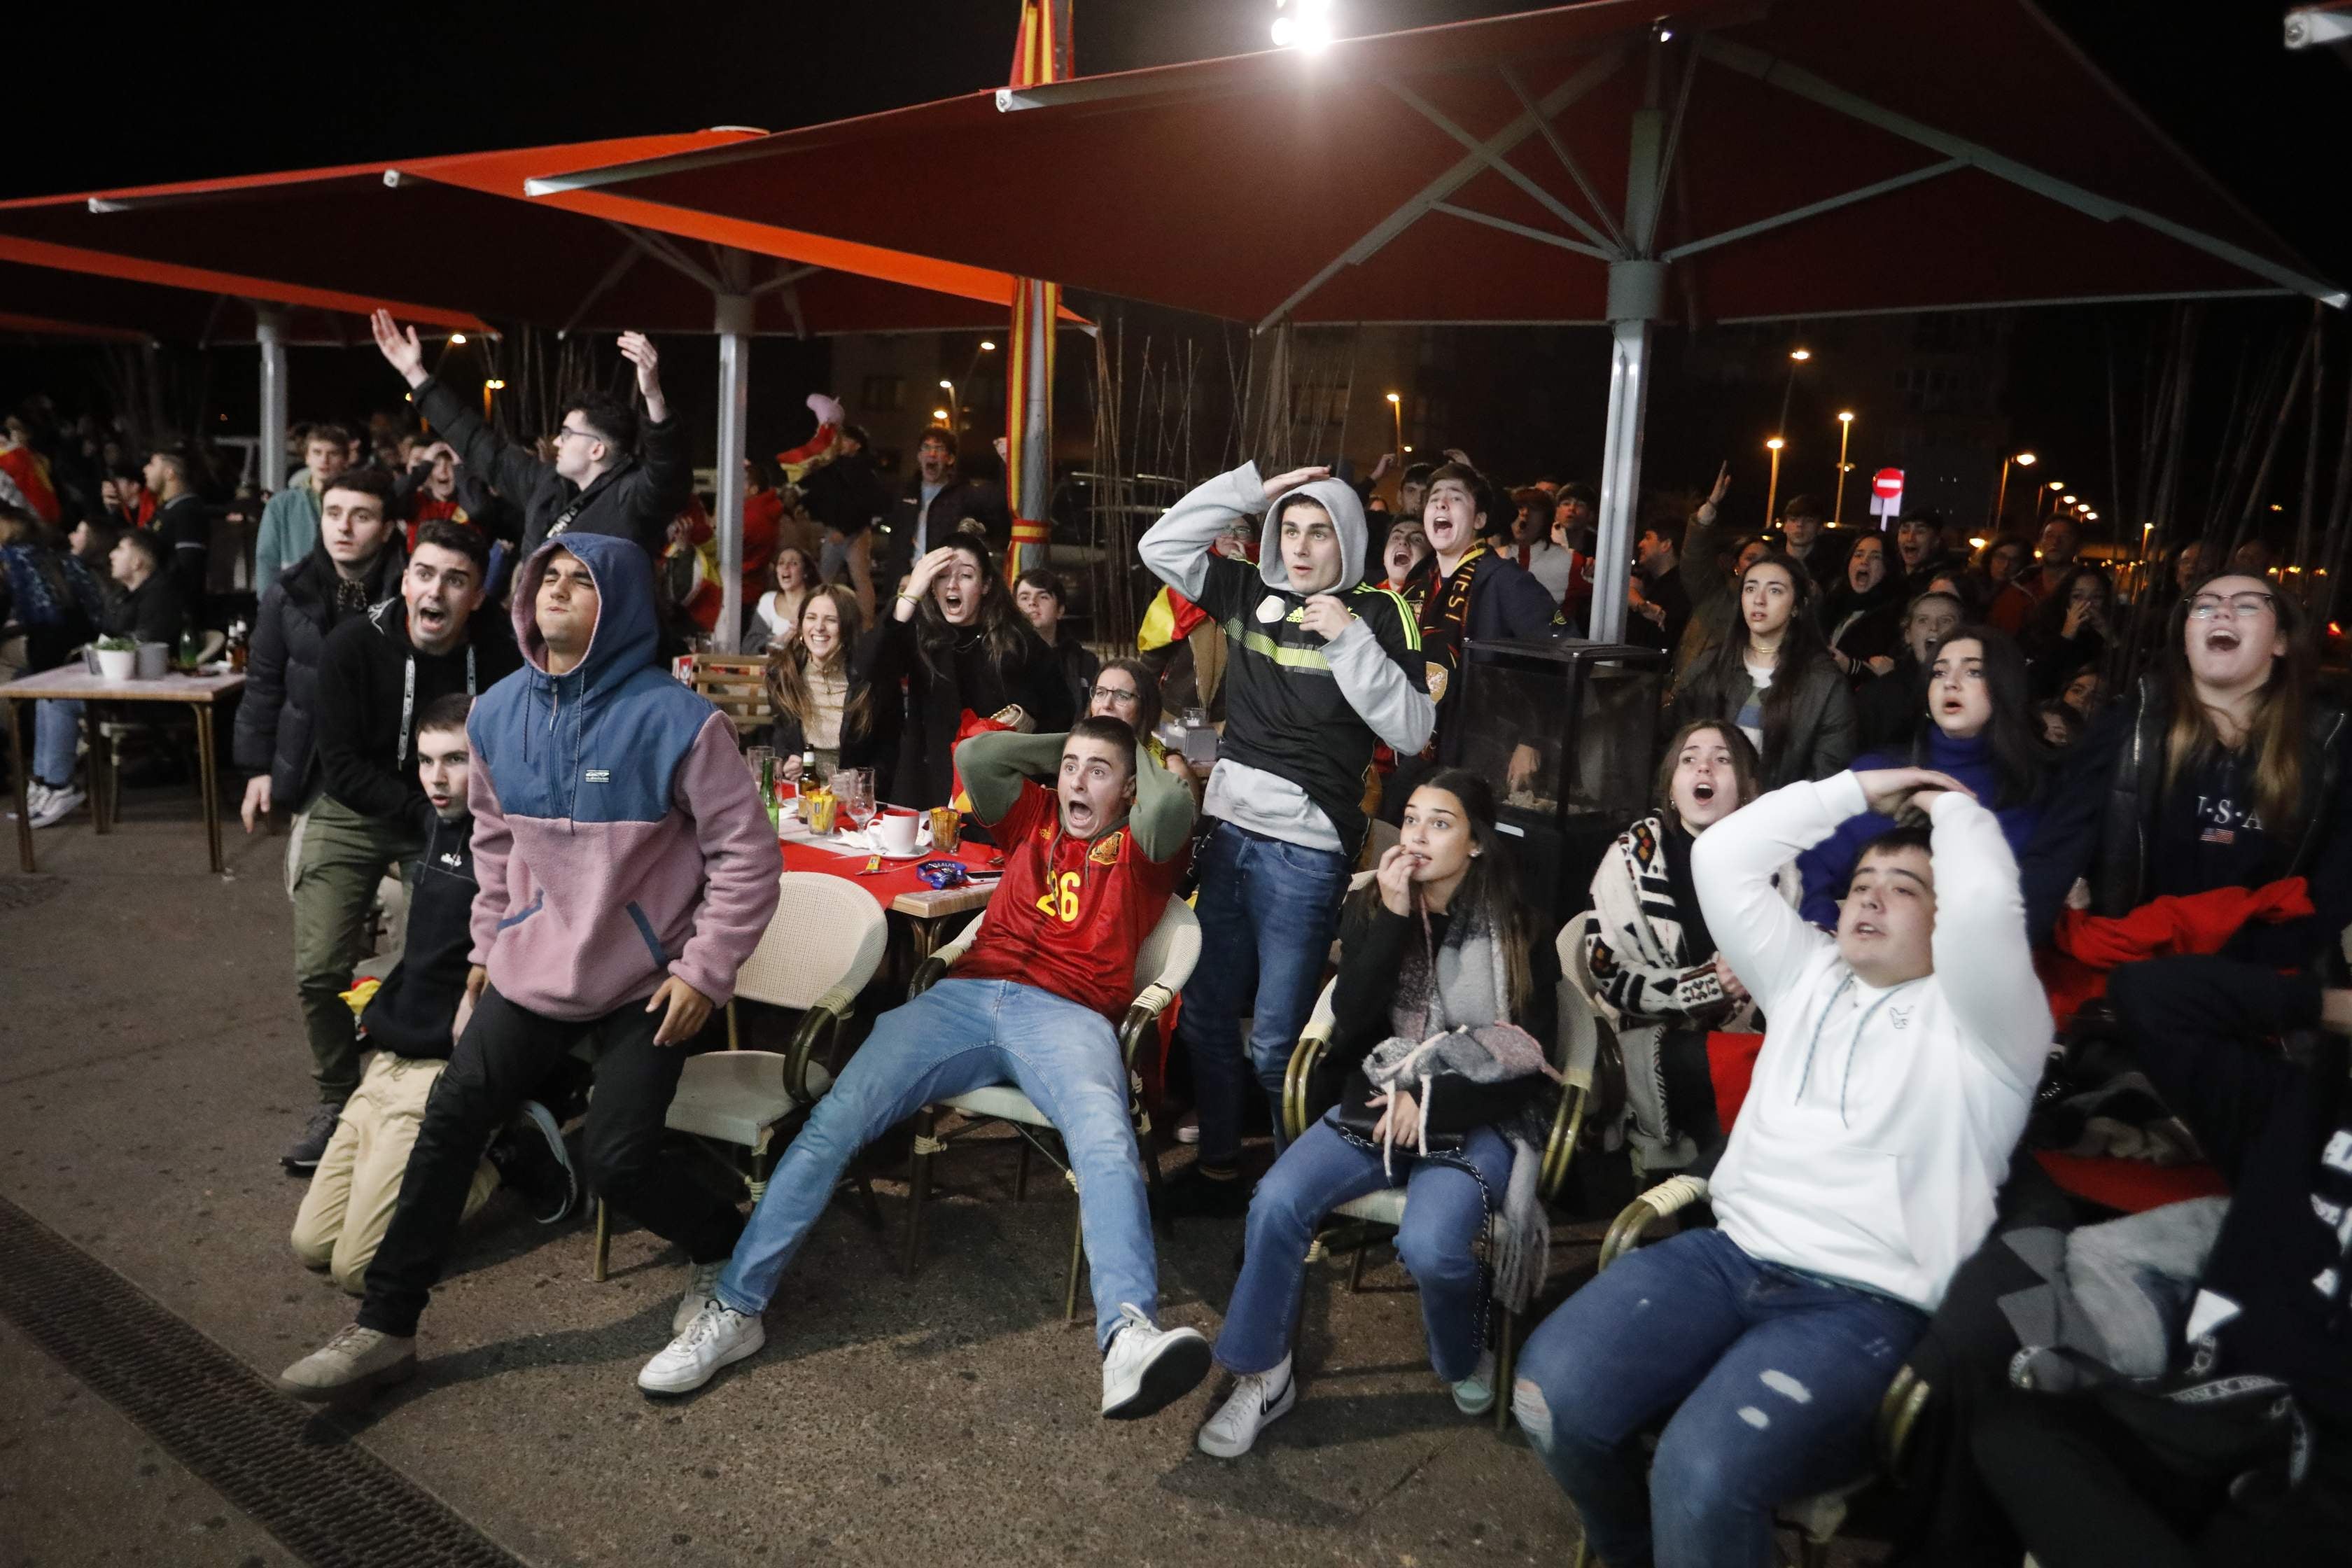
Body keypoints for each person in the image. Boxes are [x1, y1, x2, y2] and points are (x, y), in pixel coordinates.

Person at [276, 533, 782, 1403]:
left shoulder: (679, 720)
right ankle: (386, 1323)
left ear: (616, 603)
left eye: (579, 579)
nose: (555, 589)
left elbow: (748, 857)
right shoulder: (495, 713)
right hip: (530, 966)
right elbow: (496, 847)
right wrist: (486, 951)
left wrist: (704, 970)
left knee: (619, 1162)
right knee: (452, 1114)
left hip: (643, 976)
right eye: (546, 575)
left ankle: (724, 1244)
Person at [1512, 764, 2051, 1567]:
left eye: (1902, 886)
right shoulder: (1807, 974)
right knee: (1547, 1395)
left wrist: (1949, 811)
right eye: (1861, 880)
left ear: (1948, 918)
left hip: (1861, 1304)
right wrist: (1863, 789)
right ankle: (1634, 1550)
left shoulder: (1989, 1023)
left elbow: (1986, 908)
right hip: (1728, 1257)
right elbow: (1724, 856)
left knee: (1702, 1473)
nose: (1867, 897)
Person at [636, 720, 1213, 1417]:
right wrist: (1076, 745)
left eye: (1098, 773)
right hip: (965, 996)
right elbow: (975, 752)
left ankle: (1126, 1335)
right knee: (833, 1121)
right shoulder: (1034, 813)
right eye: (1068, 768)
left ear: (1128, 790)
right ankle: (735, 1308)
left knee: (1107, 1139)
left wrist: (1130, 745)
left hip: (1070, 1015)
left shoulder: (1144, 848)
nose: (1076, 783)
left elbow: (1174, 804)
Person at [1198, 771, 1561, 1456]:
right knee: (1276, 1198)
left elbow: (1528, 1052)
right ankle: (1263, 1374)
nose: (1418, 834)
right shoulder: (1376, 904)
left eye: (1441, 822)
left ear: (1477, 843)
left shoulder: (1518, 923)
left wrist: (1429, 1097)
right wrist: (1391, 914)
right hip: (1378, 1093)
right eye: (1413, 818)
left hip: (1475, 1110)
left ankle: (1459, 1349)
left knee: (1431, 1246)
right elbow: (1351, 1020)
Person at [1967, 954, 2352, 1567]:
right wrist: (2331, 1005)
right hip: (2203, 1418)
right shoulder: (2291, 1112)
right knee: (2005, 1431)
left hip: (2322, 1473)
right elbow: (2152, 996)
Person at [1140, 461, 1434, 1214]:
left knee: (1278, 1044)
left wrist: (1347, 640)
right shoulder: (1247, 589)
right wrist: (1245, 492)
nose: (1301, 548)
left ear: (1350, 540)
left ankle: (1295, 1190)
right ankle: (1216, 1170)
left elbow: (1412, 727)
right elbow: (1161, 545)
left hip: (1307, 853)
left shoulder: (1378, 608)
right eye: (1290, 529)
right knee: (1203, 1015)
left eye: (1320, 531)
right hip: (1230, 833)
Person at [288, 694, 574, 1295]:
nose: (436, 780)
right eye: (424, 761)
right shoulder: (432, 821)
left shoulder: (519, 847)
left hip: (442, 1071)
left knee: (356, 1270)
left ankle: (504, 1158)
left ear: (490, 763)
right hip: (390, 1057)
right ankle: (439, 1166)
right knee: (310, 1246)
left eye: (455, 761)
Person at [281, 520, 518, 1171]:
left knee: (448, 959)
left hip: (456, 813)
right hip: (356, 806)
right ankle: (336, 1097)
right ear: (407, 579)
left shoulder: (500, 651)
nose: (436, 590)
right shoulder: (353, 645)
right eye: (426, 573)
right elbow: (341, 763)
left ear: (476, 596)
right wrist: (421, 810)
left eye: (457, 579)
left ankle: (439, 1095)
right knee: (319, 967)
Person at [2022, 573, 2352, 960]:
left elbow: (2336, 883)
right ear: (2185, 639)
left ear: (2280, 641)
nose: (2222, 612)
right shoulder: (2130, 726)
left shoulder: (2328, 741)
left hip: (2261, 971)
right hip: (2131, 960)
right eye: (2204, 606)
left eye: (2246, 605)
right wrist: (2009, 950)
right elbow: (2057, 849)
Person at [1581, 721, 1768, 1172]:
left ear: (1745, 788)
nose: (1704, 765)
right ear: (1671, 786)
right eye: (1690, 758)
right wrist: (1705, 987)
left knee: (1725, 1111)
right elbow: (1607, 973)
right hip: (1651, 1043)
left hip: (1748, 1042)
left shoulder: (1772, 863)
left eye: (1722, 759)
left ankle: (1707, 1218)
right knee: (1743, 1074)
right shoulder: (1631, 856)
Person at [370, 311, 688, 566]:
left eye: (566, 434)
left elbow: (667, 469)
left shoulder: (633, 495)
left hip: (608, 639)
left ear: (597, 448)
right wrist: (417, 376)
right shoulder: (546, 484)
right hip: (540, 638)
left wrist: (653, 395)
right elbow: (481, 444)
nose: (557, 443)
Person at [1795, 627, 2046, 930]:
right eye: (1939, 673)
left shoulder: (2030, 793)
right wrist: (1829, 938)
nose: (1950, 683)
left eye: (1973, 672)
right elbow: (1811, 868)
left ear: (2005, 686)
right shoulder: (1879, 772)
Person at [235, 468, 408, 853]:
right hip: (314, 770)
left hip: (394, 775)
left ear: (386, 529)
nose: (343, 527)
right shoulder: (288, 593)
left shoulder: (413, 591)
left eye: (361, 516)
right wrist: (258, 769)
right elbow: (263, 683)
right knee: (311, 881)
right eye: (333, 514)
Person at [1404, 460, 1566, 797]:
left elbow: (1562, 655)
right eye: (1434, 499)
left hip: (1484, 750)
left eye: (1456, 498)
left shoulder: (1507, 580)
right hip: (1419, 745)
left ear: (1479, 520)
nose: (1441, 504)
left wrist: (1532, 740)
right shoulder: (1419, 580)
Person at [883, 535, 1070, 810]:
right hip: (926, 788)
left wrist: (1027, 756)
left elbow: (1060, 714)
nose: (953, 584)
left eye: (966, 576)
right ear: (932, 587)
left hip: (996, 793)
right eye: (942, 576)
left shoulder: (1019, 642)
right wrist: (910, 594)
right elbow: (872, 669)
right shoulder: (921, 634)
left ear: (986, 585)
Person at [22, 528, 186, 829]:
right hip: (115, 687)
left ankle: (61, 788)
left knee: (60, 701)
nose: (111, 555)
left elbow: (141, 646)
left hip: (151, 697)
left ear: (138, 562)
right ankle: (44, 784)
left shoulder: (161, 595)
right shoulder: (122, 596)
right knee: (46, 693)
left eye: (120, 549)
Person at [1668, 552, 1857, 790]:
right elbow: (1672, 749)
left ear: (1797, 606)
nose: (1759, 599)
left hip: (1780, 820)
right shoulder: (1709, 666)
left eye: (1775, 590)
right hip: (1705, 812)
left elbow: (1829, 778)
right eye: (1750, 589)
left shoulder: (1824, 683)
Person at [764, 583, 899, 785]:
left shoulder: (872, 678)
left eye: (831, 620)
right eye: (811, 618)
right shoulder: (783, 673)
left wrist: (862, 779)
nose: (819, 627)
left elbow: (890, 752)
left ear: (847, 628)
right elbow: (779, 738)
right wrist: (785, 762)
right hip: (801, 797)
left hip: (855, 802)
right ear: (801, 625)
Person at [882, 426, 1010, 590]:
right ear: (919, 456)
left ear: (950, 459)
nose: (932, 454)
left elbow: (1001, 499)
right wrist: (900, 575)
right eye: (926, 448)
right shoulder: (904, 491)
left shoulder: (963, 494)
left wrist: (1007, 462)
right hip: (905, 580)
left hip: (944, 581)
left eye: (939, 449)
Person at [1856, 589, 1964, 752]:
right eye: (1923, 620)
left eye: (1946, 620)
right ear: (1908, 634)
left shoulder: (1982, 694)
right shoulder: (1875, 696)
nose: (1934, 628)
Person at [251, 425, 353, 590]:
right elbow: (267, 560)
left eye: (333, 454)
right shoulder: (282, 504)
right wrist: (268, 606)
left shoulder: (355, 501)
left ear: (345, 461)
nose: (324, 460)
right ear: (307, 457)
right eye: (317, 452)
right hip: (295, 597)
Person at [1088, 656, 1200, 801]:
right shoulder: (1073, 758)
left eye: (1122, 696)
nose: (1106, 704)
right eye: (1100, 693)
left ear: (1146, 706)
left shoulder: (1172, 773)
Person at [1016, 567, 1101, 722]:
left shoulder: (1085, 662)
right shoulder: (1004, 658)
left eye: (1043, 597)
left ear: (1060, 610)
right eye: (1024, 598)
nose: (1032, 603)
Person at [2021, 564, 2115, 699]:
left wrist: (2108, 634)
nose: (2087, 604)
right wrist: (2066, 636)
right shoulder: (2041, 627)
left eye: (2096, 597)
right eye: (2077, 597)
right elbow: (2037, 679)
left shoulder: (2114, 628)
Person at [1824, 531, 1906, 682]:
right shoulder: (1832, 604)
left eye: (1875, 557)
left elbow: (1885, 674)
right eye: (1859, 555)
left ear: (1887, 568)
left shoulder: (1894, 617)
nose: (1864, 561)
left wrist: (1851, 666)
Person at [144, 444, 209, 618]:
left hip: (174, 612)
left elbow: (189, 568)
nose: (145, 469)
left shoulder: (187, 511)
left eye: (152, 464)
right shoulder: (167, 510)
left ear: (169, 473)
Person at [1988, 515, 2079, 634]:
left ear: (2078, 546)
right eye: (2050, 536)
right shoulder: (2018, 587)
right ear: (2041, 542)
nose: (2056, 542)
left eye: (2065, 536)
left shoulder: (2087, 591)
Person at [1626, 510, 1694, 654]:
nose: (1640, 544)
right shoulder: (1648, 582)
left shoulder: (1681, 590)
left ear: (1666, 545)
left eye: (1647, 537)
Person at [745, 545, 819, 656]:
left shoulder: (818, 602)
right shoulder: (768, 600)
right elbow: (749, 646)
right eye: (781, 563)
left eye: (793, 563)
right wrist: (779, 640)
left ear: (805, 571)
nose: (785, 567)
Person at [1778, 493, 1844, 592]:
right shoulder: (1771, 559)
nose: (1800, 525)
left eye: (1809, 521)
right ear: (1784, 526)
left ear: (1820, 528)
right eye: (1793, 520)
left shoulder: (1831, 570)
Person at [1374, 514, 1431, 603]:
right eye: (1396, 537)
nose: (1403, 541)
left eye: (1417, 539)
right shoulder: (1366, 597)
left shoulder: (1435, 599)